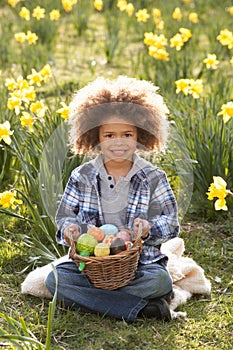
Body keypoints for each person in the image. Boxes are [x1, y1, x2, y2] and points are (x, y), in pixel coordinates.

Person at [45, 76, 180, 322]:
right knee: (54, 279)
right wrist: (69, 230)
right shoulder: (81, 176)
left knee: (160, 281)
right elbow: (65, 217)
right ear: (96, 137)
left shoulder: (154, 177)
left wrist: (149, 229)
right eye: (109, 135)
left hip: (140, 265)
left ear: (140, 136)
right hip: (90, 267)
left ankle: (97, 300)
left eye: (127, 134)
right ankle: (142, 309)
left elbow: (171, 223)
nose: (118, 142)